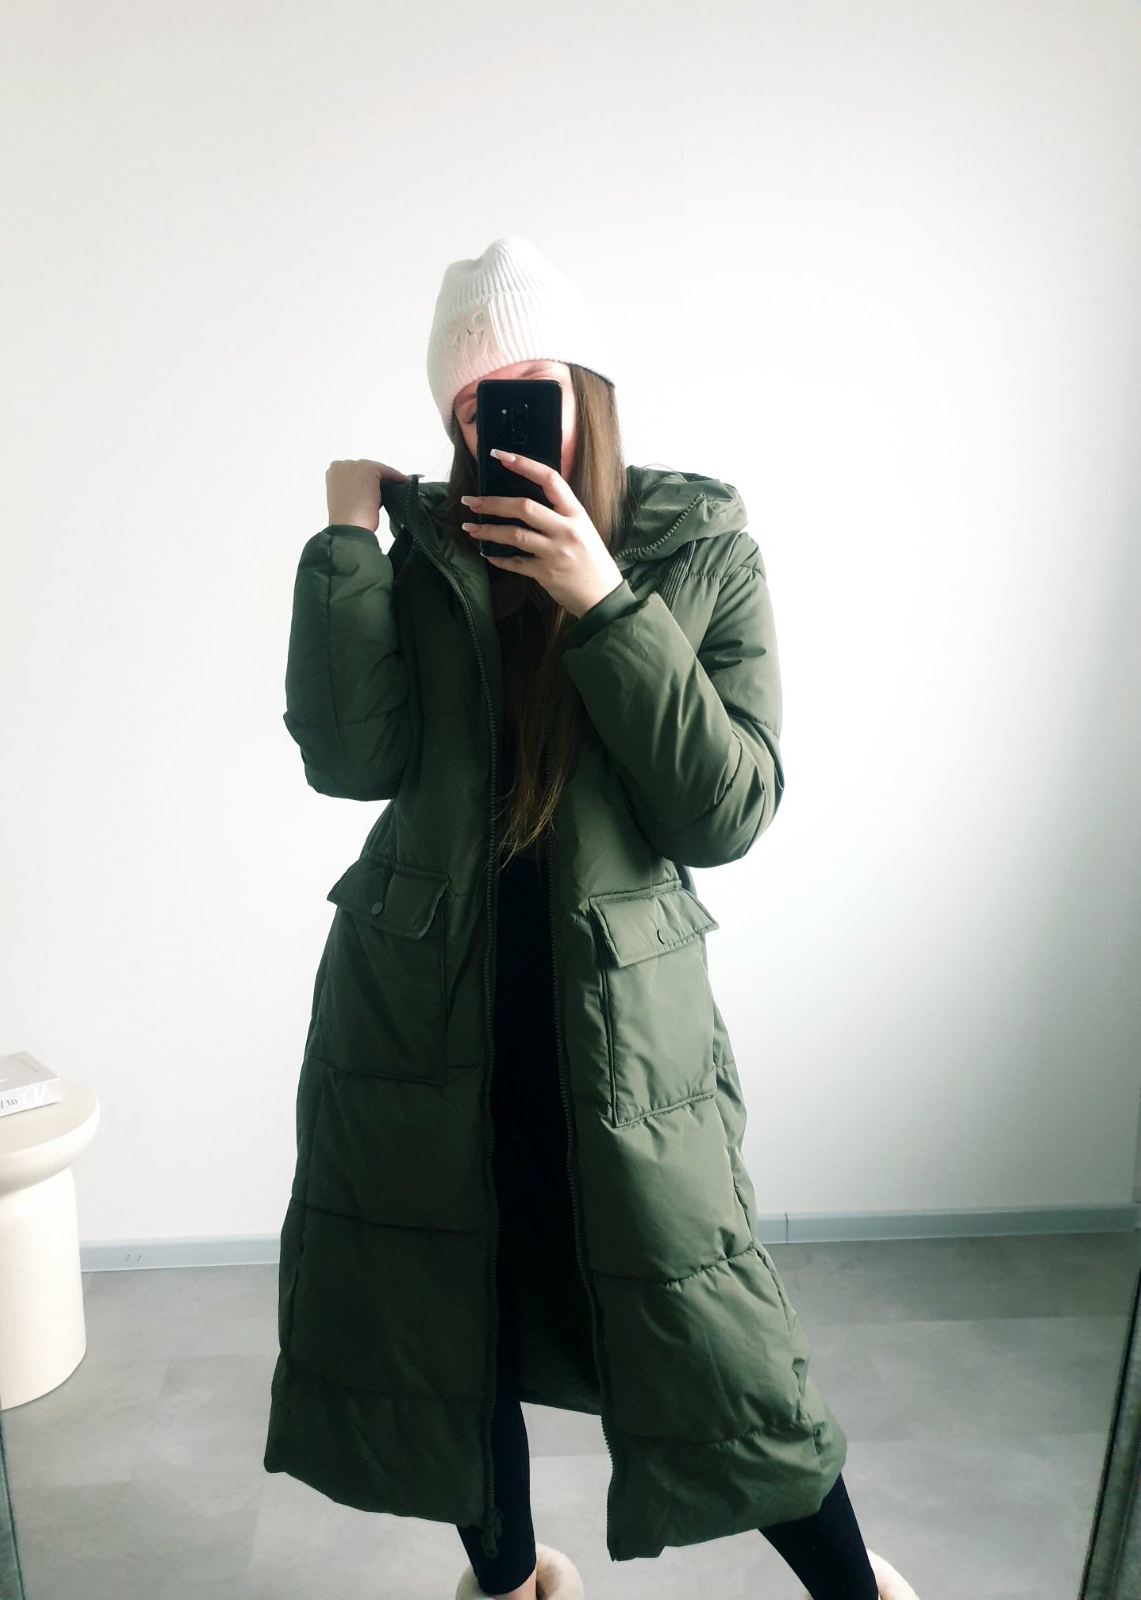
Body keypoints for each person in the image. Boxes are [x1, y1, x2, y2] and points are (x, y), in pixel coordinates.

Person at [264, 237, 920, 1600]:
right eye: (471, 404)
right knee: (452, 1330)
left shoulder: (699, 544)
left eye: (528, 388)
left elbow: (726, 809)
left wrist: (604, 603)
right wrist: (343, 547)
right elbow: (350, 759)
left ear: (588, 391)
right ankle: (511, 1581)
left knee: (716, 1343)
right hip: (425, 1012)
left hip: (623, 1030)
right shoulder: (419, 553)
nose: (496, 423)